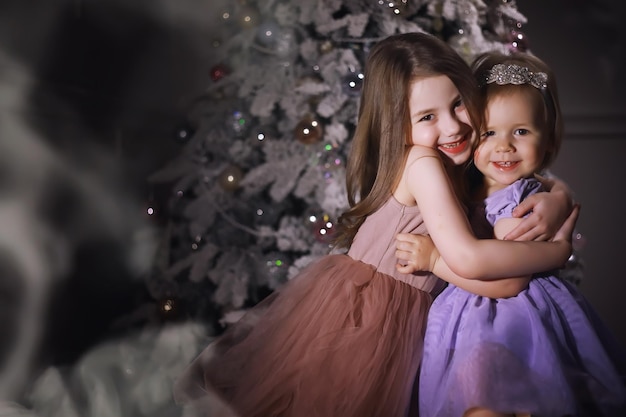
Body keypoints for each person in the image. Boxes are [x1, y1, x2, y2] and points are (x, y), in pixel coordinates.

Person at [172, 32, 577, 417]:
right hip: (366, 321)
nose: (452, 126)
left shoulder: (458, 163)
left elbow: (515, 185)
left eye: (457, 104)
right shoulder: (423, 164)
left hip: (403, 319)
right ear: (396, 126)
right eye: (426, 117)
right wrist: (557, 250)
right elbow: (469, 259)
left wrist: (557, 198)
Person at [398, 52, 626, 416]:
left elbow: (508, 281)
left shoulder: (522, 204)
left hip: (510, 314)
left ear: (548, 140)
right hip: (467, 309)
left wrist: (434, 260)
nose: (504, 146)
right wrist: (561, 194)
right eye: (488, 133)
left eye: (521, 131)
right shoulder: (460, 183)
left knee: (497, 394)